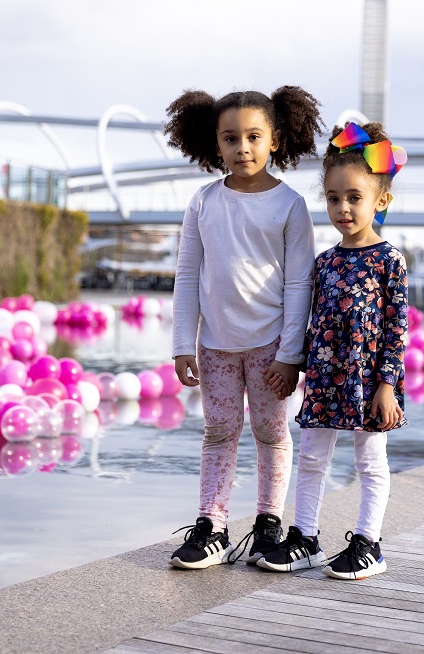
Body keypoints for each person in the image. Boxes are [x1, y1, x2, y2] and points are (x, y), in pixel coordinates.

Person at [165, 86, 324, 570]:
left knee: (271, 433)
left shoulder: (290, 205)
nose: (243, 148)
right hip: (214, 346)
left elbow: (301, 283)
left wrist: (290, 353)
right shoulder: (203, 202)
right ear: (215, 145)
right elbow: (187, 274)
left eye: (254, 137)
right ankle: (211, 526)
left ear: (274, 140)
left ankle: (268, 524)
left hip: (272, 345)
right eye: (230, 138)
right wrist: (181, 344)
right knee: (219, 431)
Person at [259, 121, 409, 581]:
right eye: (333, 197)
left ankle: (368, 544)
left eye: (354, 197)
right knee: (311, 459)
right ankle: (305, 537)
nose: (342, 208)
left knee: (369, 462)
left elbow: (396, 329)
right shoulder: (323, 262)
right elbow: (313, 323)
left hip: (370, 382)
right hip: (324, 380)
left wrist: (388, 386)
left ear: (381, 200)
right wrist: (293, 363)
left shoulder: (390, 261)